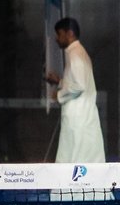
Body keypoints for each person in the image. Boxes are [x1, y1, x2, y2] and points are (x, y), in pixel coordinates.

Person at [45, 17, 105, 163]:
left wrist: (59, 95)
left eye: (59, 34)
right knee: (84, 160)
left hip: (78, 119)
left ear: (69, 33)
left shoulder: (75, 55)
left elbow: (79, 85)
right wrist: (59, 82)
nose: (57, 39)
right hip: (82, 117)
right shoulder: (79, 53)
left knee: (73, 161)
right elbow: (78, 82)